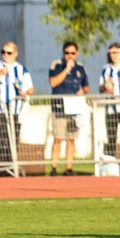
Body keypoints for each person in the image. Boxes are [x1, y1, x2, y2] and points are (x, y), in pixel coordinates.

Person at [0, 41, 34, 167]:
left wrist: (25, 92)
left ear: (15, 54)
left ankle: (11, 164)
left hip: (17, 109)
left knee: (14, 136)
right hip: (0, 108)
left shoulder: (21, 69)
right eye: (3, 52)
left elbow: (31, 88)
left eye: (9, 53)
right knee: (3, 134)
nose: (5, 55)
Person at [46, 41, 89, 176]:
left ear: (77, 54)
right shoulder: (57, 65)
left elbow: (86, 86)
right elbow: (53, 82)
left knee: (71, 139)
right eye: (67, 53)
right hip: (59, 106)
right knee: (58, 138)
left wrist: (84, 91)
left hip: (74, 107)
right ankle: (54, 168)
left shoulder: (81, 68)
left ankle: (68, 168)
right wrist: (66, 70)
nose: (69, 56)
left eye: (72, 53)